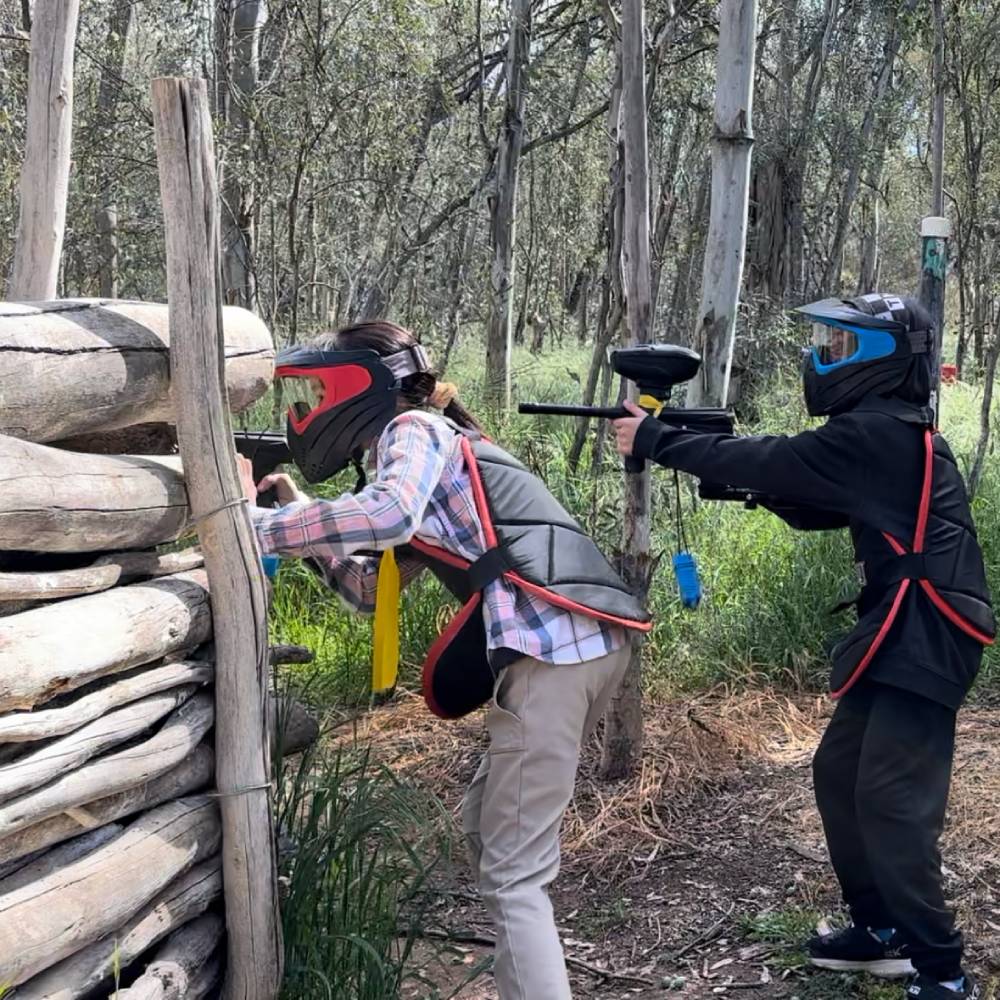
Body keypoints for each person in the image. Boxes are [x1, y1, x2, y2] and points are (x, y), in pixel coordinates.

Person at [237, 320, 650, 1000]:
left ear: (361, 386)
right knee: (491, 840)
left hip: (553, 652)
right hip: (572, 648)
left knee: (516, 873)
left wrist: (260, 526)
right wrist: (302, 523)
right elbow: (370, 587)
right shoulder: (431, 450)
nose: (306, 408)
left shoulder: (415, 432)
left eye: (316, 390)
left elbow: (388, 514)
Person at [612, 293, 994, 1000]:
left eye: (841, 346)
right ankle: (879, 932)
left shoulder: (875, 433)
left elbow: (778, 459)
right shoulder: (883, 430)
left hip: (929, 630)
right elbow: (810, 494)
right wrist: (728, 475)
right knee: (840, 774)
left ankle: (941, 970)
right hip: (902, 625)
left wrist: (661, 441)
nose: (824, 358)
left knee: (889, 800)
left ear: (880, 359)